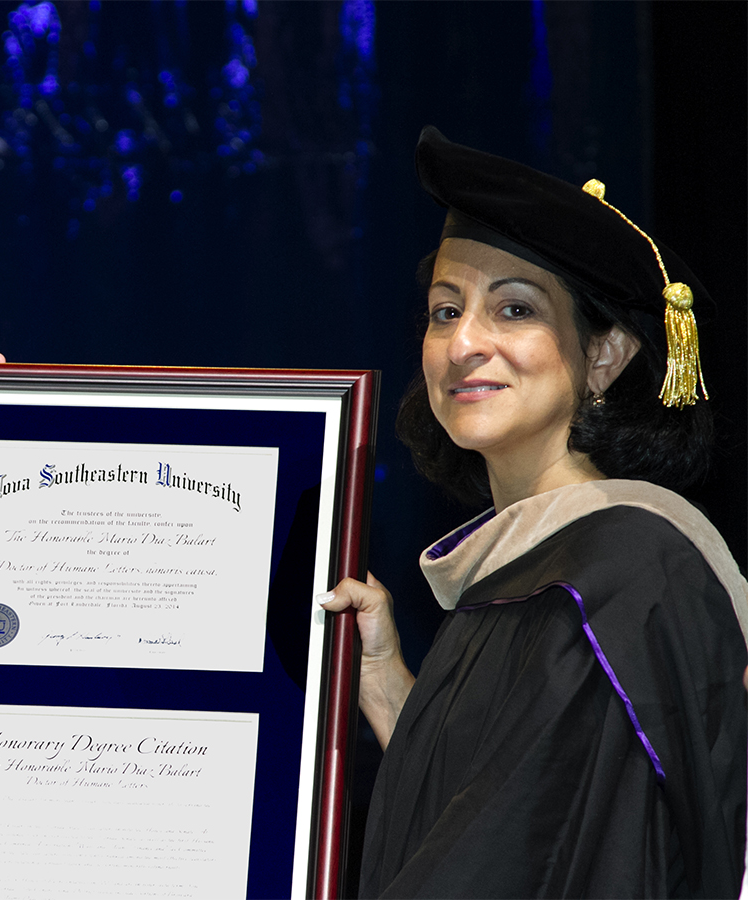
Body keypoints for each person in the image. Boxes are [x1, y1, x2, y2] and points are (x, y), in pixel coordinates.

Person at [320, 127, 748, 897]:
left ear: (606, 357)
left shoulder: (623, 574)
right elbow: (496, 804)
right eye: (444, 311)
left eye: (514, 310)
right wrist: (385, 683)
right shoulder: (531, 568)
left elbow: (516, 860)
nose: (465, 344)